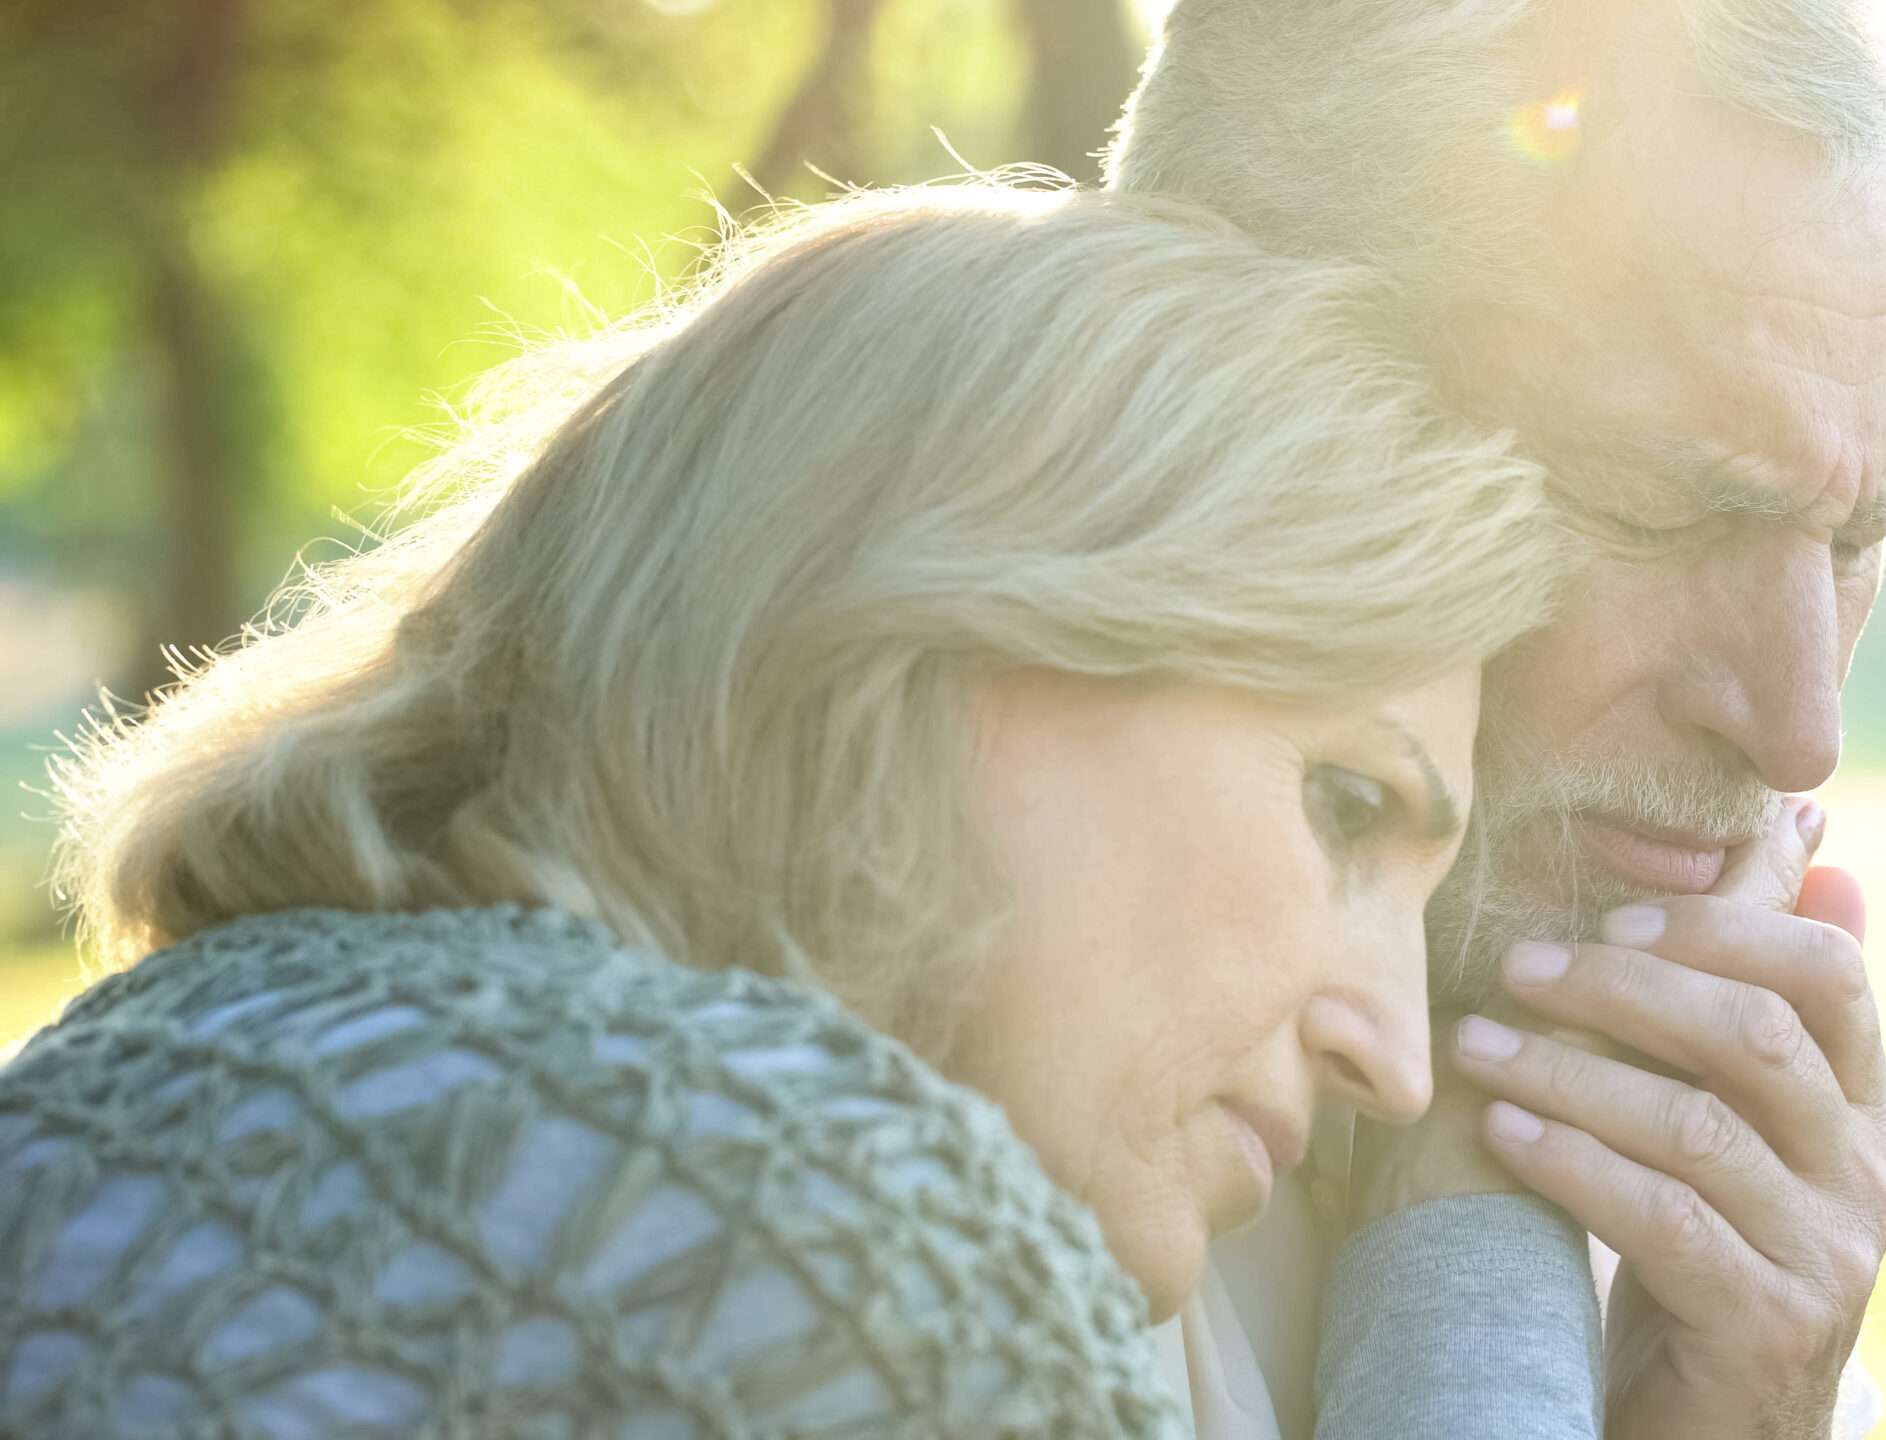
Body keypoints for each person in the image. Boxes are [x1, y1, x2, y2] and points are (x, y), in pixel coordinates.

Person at [0, 186, 1579, 1437]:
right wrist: (1478, 1285)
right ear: (942, 629)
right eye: (1347, 804)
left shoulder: (124, 1069)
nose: (1396, 1051)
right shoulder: (824, 1231)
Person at [1108, 1, 1886, 1436]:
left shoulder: (1662, 1182)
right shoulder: (919, 1168)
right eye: (1669, 503)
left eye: (1859, 535)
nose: (1799, 730)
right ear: (1231, 389)